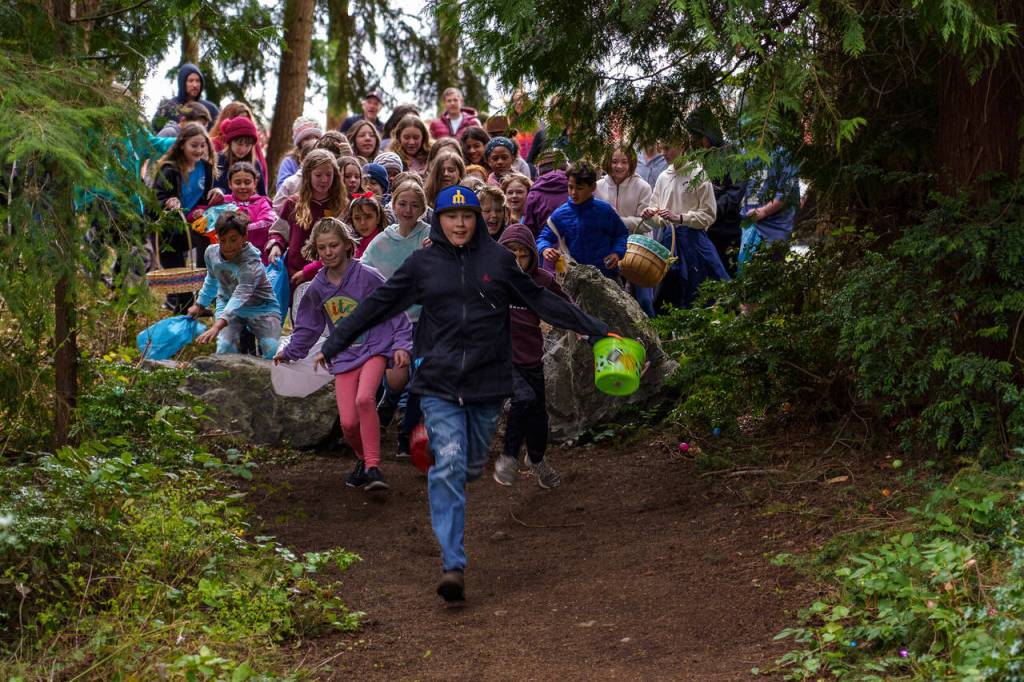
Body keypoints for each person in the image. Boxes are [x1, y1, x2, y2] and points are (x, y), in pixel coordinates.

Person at [316, 185, 612, 603]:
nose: (459, 223)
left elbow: (541, 300)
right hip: (437, 381)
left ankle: (458, 466)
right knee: (450, 465)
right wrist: (334, 343)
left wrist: (596, 327)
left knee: (469, 462)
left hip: (487, 384)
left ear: (476, 221)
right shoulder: (423, 264)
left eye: (467, 216)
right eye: (451, 217)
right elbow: (377, 304)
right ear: (438, 222)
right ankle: (452, 564)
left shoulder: (498, 261)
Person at [274, 217, 413, 492]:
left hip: (375, 346)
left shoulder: (367, 276)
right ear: (315, 250)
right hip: (344, 355)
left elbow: (394, 306)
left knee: (364, 399)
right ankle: (363, 461)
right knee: (348, 423)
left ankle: (374, 465)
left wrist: (401, 345)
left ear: (347, 245)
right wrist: (291, 352)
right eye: (322, 247)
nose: (328, 252)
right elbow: (309, 327)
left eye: (334, 245)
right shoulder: (318, 288)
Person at [360, 180, 431, 451]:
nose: (408, 210)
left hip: (425, 318)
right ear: (393, 205)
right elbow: (364, 271)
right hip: (395, 322)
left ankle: (407, 432)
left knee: (422, 378)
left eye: (415, 205)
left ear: (423, 208)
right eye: (402, 204)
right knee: (397, 377)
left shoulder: (430, 236)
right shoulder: (383, 240)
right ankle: (388, 406)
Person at [495, 224, 566, 489]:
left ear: (531, 257)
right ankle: (508, 456)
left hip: (531, 357)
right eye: (508, 253)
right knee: (523, 398)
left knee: (539, 418)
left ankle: (536, 459)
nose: (515, 259)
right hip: (501, 358)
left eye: (521, 254)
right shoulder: (491, 280)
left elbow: (564, 306)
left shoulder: (541, 281)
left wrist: (584, 330)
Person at [642, 140, 728, 311]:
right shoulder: (663, 177)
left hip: (694, 243)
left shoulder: (698, 174)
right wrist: (650, 215)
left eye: (667, 148)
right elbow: (657, 213)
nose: (663, 154)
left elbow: (709, 215)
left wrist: (681, 218)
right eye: (661, 149)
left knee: (701, 295)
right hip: (669, 243)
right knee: (668, 299)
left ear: (682, 146)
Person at [188, 211, 281, 358]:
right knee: (224, 347)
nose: (228, 246)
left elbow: (240, 295)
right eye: (222, 240)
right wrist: (200, 305)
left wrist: (217, 326)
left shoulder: (251, 264)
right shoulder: (211, 253)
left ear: (244, 237)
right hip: (226, 304)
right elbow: (211, 280)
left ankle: (270, 378)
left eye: (233, 239)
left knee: (272, 349)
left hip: (262, 307)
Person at [154, 123, 224, 312]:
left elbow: (204, 197)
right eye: (194, 145)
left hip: (192, 223)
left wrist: (215, 193)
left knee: (205, 247)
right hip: (169, 228)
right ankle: (184, 309)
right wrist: (168, 200)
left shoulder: (206, 167)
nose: (199, 150)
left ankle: (202, 298)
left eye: (203, 146)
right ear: (183, 145)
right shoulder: (170, 169)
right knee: (177, 272)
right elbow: (156, 197)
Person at [537, 159, 628, 279]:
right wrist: (545, 249)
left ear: (593, 187)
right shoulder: (560, 214)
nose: (574, 193)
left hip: (606, 275)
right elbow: (544, 237)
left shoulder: (605, 211)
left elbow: (621, 234)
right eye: (570, 187)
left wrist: (616, 253)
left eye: (579, 188)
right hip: (575, 277)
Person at [266, 149, 346, 283]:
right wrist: (276, 246)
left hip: (331, 276)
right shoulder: (293, 203)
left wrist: (311, 270)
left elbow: (343, 247)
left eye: (329, 175)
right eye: (318, 175)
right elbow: (279, 232)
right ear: (308, 175)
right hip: (296, 275)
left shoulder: (340, 205)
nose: (324, 180)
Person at [685, 111, 747, 275]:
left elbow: (736, 192)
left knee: (725, 276)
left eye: (699, 136)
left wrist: (712, 210)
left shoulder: (731, 155)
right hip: (701, 230)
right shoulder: (695, 157)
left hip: (726, 230)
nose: (697, 141)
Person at [596, 145, 655, 315]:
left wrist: (619, 221)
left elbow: (647, 224)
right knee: (612, 298)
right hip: (609, 250)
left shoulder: (643, 187)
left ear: (632, 163)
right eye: (614, 161)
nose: (619, 166)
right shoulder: (599, 187)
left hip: (639, 251)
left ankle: (652, 336)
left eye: (624, 162)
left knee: (644, 300)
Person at [738, 147, 800, 271]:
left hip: (775, 228)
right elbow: (754, 182)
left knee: (771, 274)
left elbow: (786, 191)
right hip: (752, 224)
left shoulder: (785, 151)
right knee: (747, 274)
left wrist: (764, 211)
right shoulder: (750, 148)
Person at [274, 132, 353, 214]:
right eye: (318, 175)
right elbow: (277, 212)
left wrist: (349, 160)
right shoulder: (294, 183)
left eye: (329, 173)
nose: (324, 180)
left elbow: (357, 199)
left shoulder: (344, 179)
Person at [223, 161, 278, 262]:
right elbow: (207, 218)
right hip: (227, 260)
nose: (243, 186)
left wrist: (237, 230)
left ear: (255, 183)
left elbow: (268, 222)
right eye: (237, 182)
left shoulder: (262, 202)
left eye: (247, 182)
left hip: (256, 260)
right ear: (230, 184)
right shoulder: (223, 201)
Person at [151, 63, 220, 133]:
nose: (195, 85)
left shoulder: (211, 109)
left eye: (198, 81)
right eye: (191, 81)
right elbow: (154, 132)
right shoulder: (167, 107)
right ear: (182, 82)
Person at [213, 117, 267, 197]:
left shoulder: (255, 164)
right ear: (230, 142)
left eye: (248, 145)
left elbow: (263, 195)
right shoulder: (218, 161)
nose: (243, 149)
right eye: (239, 144)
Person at [522, 149, 569, 238]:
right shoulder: (577, 187)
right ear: (566, 166)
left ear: (539, 170)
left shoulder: (534, 194)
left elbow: (529, 230)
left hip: (547, 248)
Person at [275, 116, 323, 191]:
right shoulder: (289, 162)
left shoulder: (326, 159)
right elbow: (282, 188)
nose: (312, 141)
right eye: (307, 138)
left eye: (316, 138)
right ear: (299, 143)